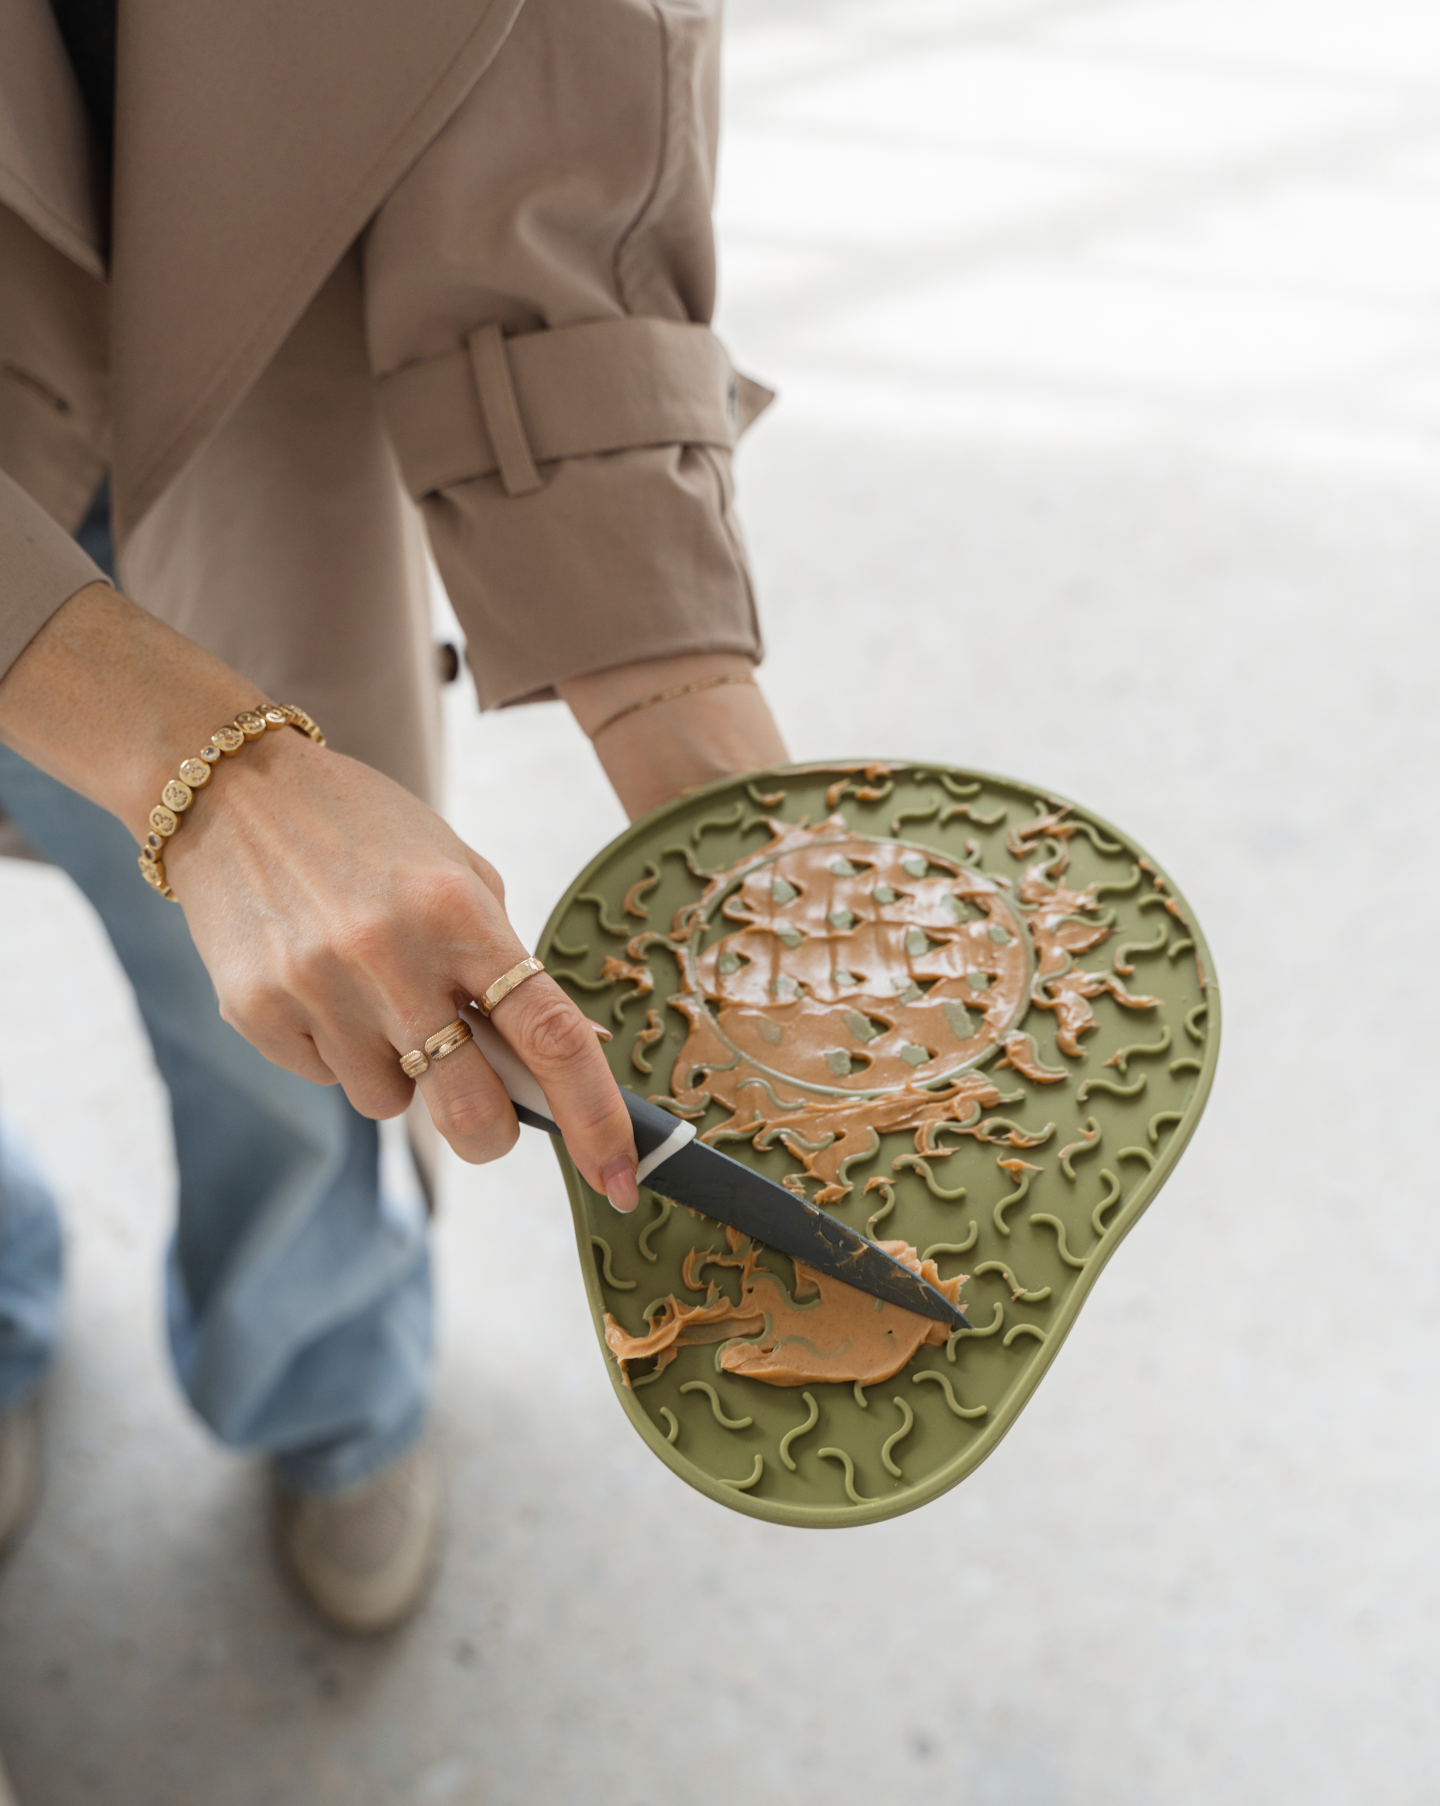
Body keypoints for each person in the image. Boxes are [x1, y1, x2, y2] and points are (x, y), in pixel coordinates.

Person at [0, 0, 788, 1636]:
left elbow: (554, 90)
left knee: (291, 1057)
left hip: (210, 421)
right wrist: (206, 766)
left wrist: (682, 726)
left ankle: (325, 1381)